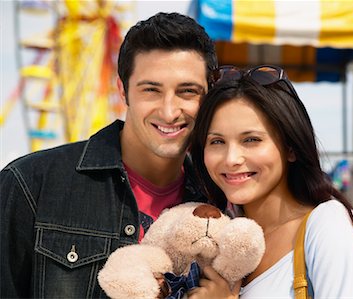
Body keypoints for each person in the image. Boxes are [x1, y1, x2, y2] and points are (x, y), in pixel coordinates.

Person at [0, 12, 218, 298]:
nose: (169, 111)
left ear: (209, 96)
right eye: (151, 90)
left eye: (187, 91)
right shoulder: (30, 185)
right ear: (123, 91)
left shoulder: (219, 199)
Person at [189, 65, 353, 298]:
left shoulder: (327, 224)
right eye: (217, 142)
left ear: (291, 148)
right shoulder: (218, 239)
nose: (231, 159)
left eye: (251, 140)